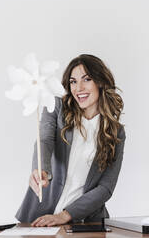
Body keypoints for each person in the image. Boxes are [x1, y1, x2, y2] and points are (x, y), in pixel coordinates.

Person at [15, 54, 125, 227]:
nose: (78, 88)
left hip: (87, 223)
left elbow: (106, 187)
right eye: (73, 81)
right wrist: (40, 169)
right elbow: (44, 139)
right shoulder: (56, 106)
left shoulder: (115, 131)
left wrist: (65, 215)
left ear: (101, 82)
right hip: (40, 218)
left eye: (86, 79)